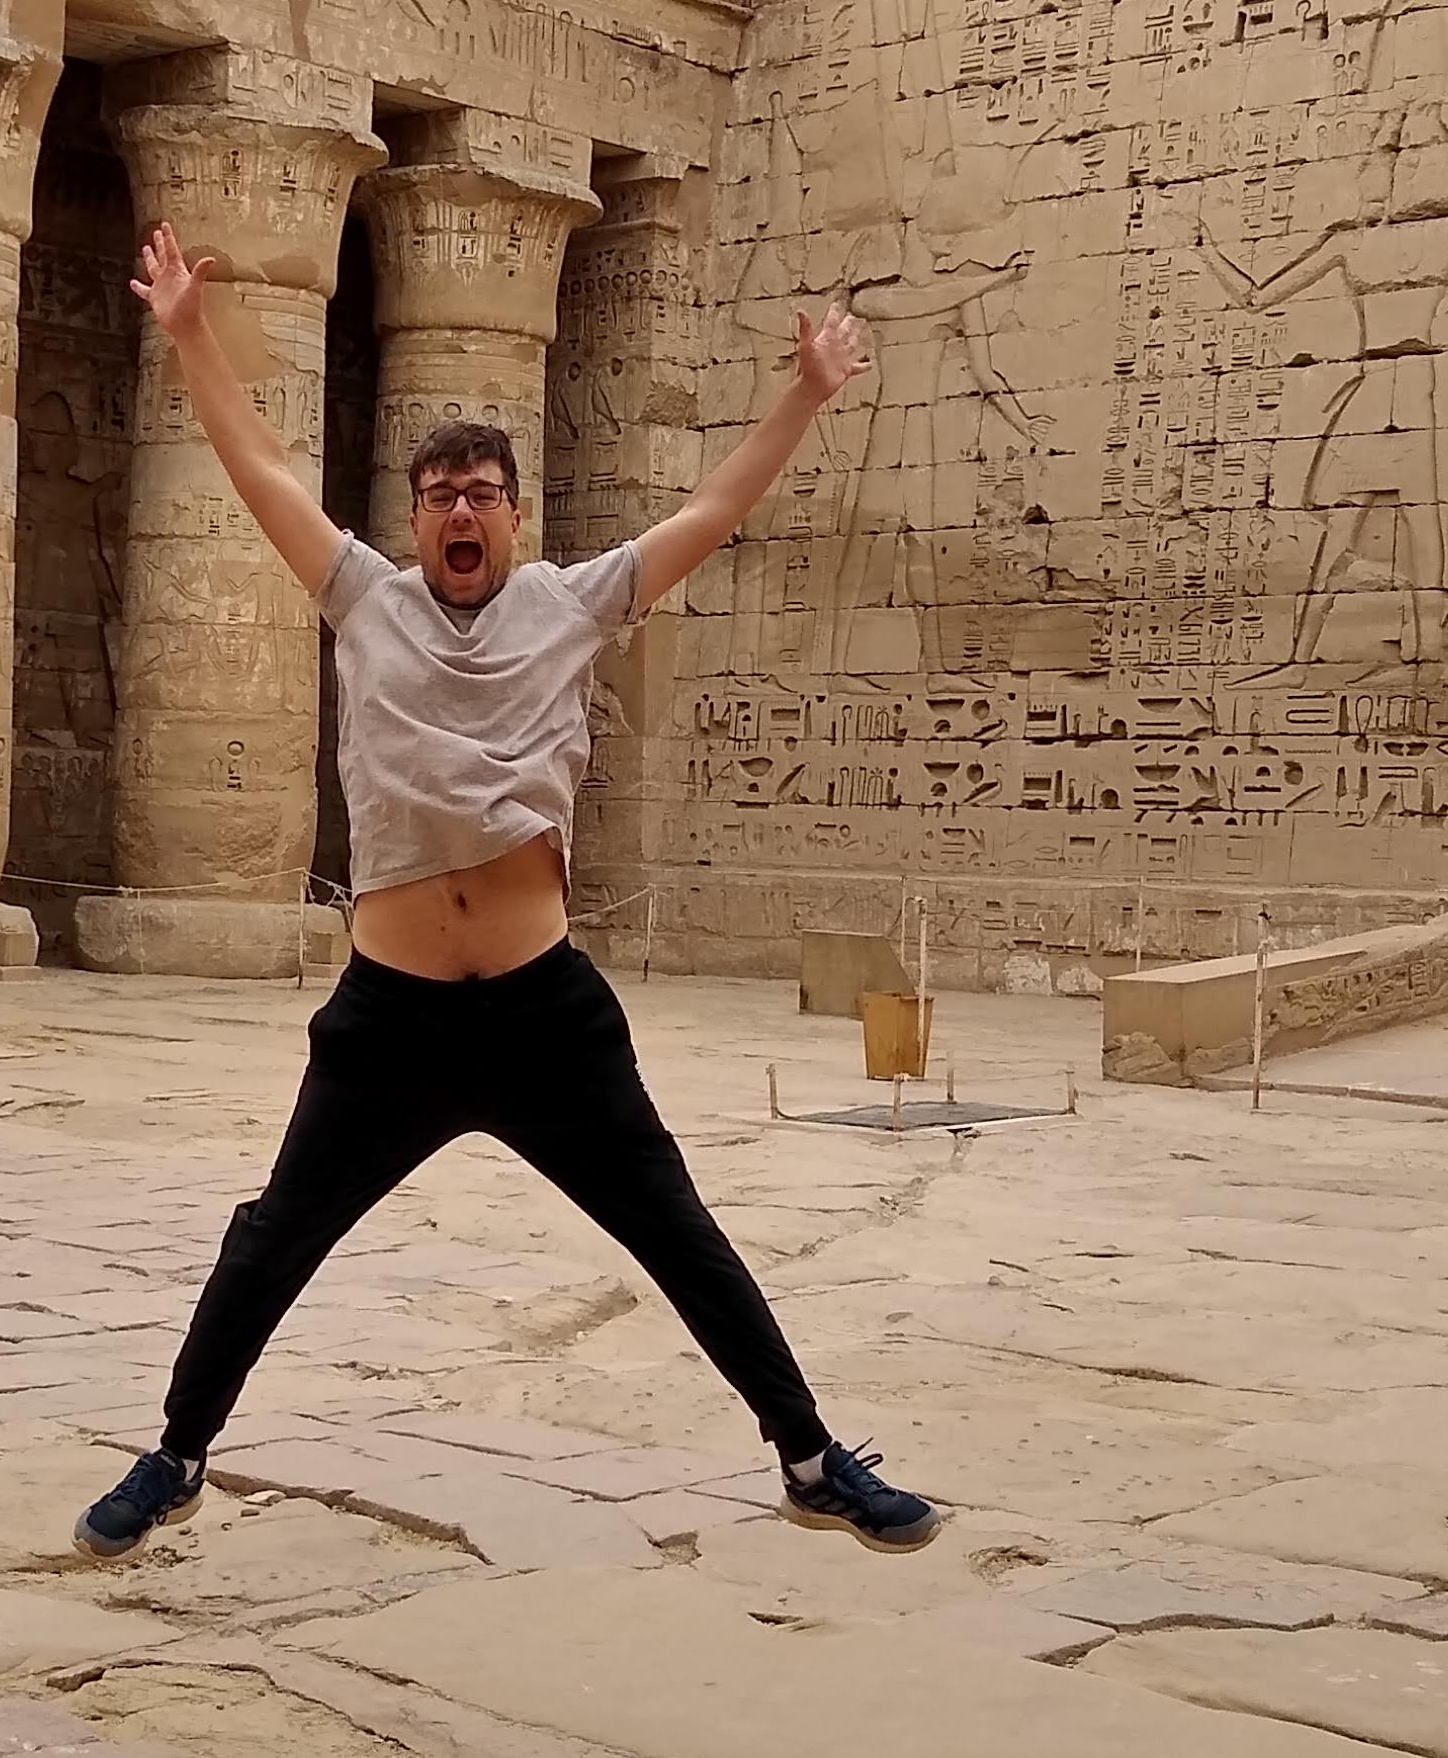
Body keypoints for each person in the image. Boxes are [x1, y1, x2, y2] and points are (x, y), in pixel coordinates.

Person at [74, 218, 942, 1559]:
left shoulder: (572, 605)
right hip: (393, 1017)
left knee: (678, 1231)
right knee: (272, 1238)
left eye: (483, 492)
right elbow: (258, 471)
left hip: (543, 1015)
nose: (462, 513)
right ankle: (178, 1454)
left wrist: (804, 396)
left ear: (515, 514)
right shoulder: (363, 598)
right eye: (440, 496)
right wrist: (190, 335)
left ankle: (813, 1458)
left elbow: (712, 511)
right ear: (414, 519)